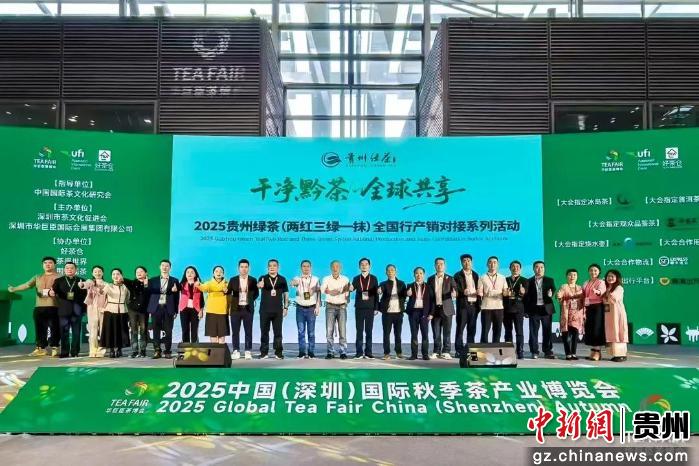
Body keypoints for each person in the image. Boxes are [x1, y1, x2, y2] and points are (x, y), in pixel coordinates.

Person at [7, 256, 60, 357]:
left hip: (54, 306)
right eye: (45, 263)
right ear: (42, 265)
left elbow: (61, 291)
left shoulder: (60, 277)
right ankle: (41, 348)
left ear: (55, 265)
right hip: (39, 307)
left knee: (55, 328)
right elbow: (27, 285)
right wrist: (14, 289)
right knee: (40, 329)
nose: (47, 264)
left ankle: (55, 348)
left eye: (50, 263)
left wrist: (48, 292)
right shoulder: (37, 277)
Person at [51, 261, 87, 358]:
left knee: (76, 332)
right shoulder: (58, 281)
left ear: (76, 269)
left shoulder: (81, 281)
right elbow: (53, 291)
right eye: (67, 268)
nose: (69, 270)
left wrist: (84, 310)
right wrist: (51, 292)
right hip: (63, 310)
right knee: (64, 332)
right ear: (64, 270)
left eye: (72, 268)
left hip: (77, 310)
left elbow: (85, 297)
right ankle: (64, 352)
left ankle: (75, 351)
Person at [147, 259, 180, 359]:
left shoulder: (174, 280)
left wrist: (176, 310)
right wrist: (149, 309)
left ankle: (167, 350)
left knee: (168, 330)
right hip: (156, 308)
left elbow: (177, 297)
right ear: (160, 267)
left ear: (170, 268)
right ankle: (157, 350)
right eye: (163, 266)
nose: (165, 268)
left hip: (168, 308)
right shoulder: (153, 280)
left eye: (167, 266)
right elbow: (149, 294)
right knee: (156, 330)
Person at [524, 261, 556, 359]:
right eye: (537, 267)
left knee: (547, 331)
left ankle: (547, 351)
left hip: (546, 309)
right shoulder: (528, 281)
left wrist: (551, 294)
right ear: (533, 269)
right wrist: (526, 311)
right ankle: (534, 351)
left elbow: (553, 290)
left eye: (542, 267)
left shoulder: (549, 280)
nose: (539, 269)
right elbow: (526, 297)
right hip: (534, 309)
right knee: (533, 332)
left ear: (544, 269)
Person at [257, 259, 289, 359]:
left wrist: (286, 307)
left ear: (278, 267)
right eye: (270, 266)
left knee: (278, 333)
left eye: (274, 265)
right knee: (264, 332)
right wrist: (259, 285)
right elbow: (259, 285)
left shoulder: (282, 279)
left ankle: (278, 352)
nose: (272, 267)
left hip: (278, 311)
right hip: (264, 310)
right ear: (267, 267)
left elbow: (286, 294)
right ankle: (264, 352)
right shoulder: (263, 278)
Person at [228, 259, 259, 360]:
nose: (244, 269)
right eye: (242, 267)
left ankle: (248, 351)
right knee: (235, 331)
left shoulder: (253, 280)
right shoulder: (233, 280)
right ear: (238, 268)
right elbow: (228, 292)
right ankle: (236, 350)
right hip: (235, 309)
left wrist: (249, 299)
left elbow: (256, 293)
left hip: (248, 309)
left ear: (249, 268)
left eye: (246, 267)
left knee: (248, 331)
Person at [427, 258, 457, 359]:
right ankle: (436, 351)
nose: (439, 265)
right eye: (437, 264)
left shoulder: (450, 278)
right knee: (436, 332)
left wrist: (454, 293)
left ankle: (446, 351)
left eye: (441, 264)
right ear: (435, 266)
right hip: (435, 309)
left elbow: (455, 290)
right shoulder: (430, 279)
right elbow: (429, 296)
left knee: (447, 332)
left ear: (444, 266)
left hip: (447, 309)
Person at [350, 258, 379, 358]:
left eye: (366, 264)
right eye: (362, 264)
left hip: (370, 308)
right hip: (359, 308)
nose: (364, 266)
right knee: (359, 331)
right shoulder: (356, 278)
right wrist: (350, 288)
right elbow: (352, 288)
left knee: (369, 331)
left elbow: (376, 294)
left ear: (369, 266)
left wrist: (376, 308)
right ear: (359, 266)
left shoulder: (374, 278)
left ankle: (368, 352)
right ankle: (359, 352)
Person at [291, 260, 320, 359]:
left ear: (310, 267)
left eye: (308, 266)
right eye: (304, 266)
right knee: (301, 332)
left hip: (311, 308)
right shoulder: (297, 278)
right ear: (301, 268)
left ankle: (311, 352)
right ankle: (302, 352)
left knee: (311, 332)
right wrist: (294, 283)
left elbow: (319, 294)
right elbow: (292, 283)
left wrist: (317, 307)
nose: (306, 268)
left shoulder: (316, 279)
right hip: (300, 308)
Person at [321, 260, 350, 360]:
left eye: (337, 266)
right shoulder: (326, 278)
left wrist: (346, 300)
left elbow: (347, 292)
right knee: (329, 331)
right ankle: (330, 352)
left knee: (342, 331)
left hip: (342, 307)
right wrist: (330, 291)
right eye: (333, 266)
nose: (335, 268)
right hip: (330, 306)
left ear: (340, 268)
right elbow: (322, 289)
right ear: (330, 268)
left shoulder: (345, 279)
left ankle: (343, 352)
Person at [378, 264, 407, 360]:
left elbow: (405, 295)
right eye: (388, 270)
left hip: (398, 313)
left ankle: (398, 352)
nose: (390, 272)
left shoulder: (402, 283)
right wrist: (379, 291)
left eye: (392, 270)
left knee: (398, 334)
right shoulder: (383, 284)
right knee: (386, 334)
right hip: (387, 314)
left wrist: (408, 294)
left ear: (395, 272)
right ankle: (386, 353)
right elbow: (380, 290)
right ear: (386, 273)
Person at [100, 268, 131, 358]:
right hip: (110, 311)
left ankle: (119, 349)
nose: (115, 276)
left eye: (117, 274)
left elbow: (128, 298)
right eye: (113, 274)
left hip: (122, 310)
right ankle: (112, 350)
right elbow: (102, 293)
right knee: (111, 331)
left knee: (121, 331)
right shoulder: (108, 285)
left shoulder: (125, 286)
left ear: (121, 275)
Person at [78, 265, 107, 357]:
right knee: (93, 329)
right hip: (92, 308)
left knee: (103, 329)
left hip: (103, 308)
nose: (97, 273)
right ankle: (92, 350)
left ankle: (101, 350)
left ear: (102, 273)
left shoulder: (107, 284)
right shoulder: (90, 282)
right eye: (95, 272)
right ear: (92, 273)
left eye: (99, 271)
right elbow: (84, 285)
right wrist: (81, 285)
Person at [453, 253, 480, 355]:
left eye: (468, 261)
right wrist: (462, 292)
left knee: (472, 329)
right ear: (461, 263)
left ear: (471, 262)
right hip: (463, 306)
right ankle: (459, 351)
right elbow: (455, 289)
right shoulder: (457, 275)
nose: (467, 263)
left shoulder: (476, 275)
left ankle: (470, 350)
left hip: (474, 306)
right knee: (460, 329)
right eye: (464, 261)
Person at [477, 256, 507, 344]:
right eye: (490, 262)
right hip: (486, 307)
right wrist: (482, 293)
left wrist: (505, 293)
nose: (492, 264)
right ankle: (483, 349)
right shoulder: (482, 277)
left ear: (498, 264)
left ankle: (496, 348)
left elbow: (505, 292)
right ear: (487, 264)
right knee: (485, 330)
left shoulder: (502, 277)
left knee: (497, 330)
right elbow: (480, 292)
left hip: (499, 307)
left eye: (494, 262)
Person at [557, 269, 585, 360]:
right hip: (566, 313)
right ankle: (568, 353)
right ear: (567, 276)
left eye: (574, 275)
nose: (572, 277)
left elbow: (583, 299)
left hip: (576, 314)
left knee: (575, 334)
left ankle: (573, 353)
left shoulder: (580, 288)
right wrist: (559, 296)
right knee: (565, 334)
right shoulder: (564, 286)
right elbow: (560, 295)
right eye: (570, 275)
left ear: (577, 277)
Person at [406, 266, 432, 360]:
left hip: (424, 313)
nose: (419, 275)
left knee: (425, 334)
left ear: (424, 275)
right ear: (414, 275)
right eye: (417, 273)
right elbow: (404, 296)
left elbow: (432, 301)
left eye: (421, 273)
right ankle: (414, 354)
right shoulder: (409, 285)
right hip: (413, 312)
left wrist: (431, 313)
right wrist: (407, 294)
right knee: (414, 334)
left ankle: (425, 354)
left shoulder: (428, 286)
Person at [197, 266, 229, 344]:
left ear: (223, 274)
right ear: (213, 273)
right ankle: (214, 351)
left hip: (223, 312)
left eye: (220, 271)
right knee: (213, 335)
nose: (218, 273)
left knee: (222, 335)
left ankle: (221, 351)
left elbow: (231, 294)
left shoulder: (227, 284)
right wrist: (198, 285)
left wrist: (227, 291)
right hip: (211, 312)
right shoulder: (209, 283)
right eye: (216, 271)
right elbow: (203, 288)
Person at [123, 266, 149, 358]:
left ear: (146, 273)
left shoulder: (150, 283)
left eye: (141, 271)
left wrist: (146, 285)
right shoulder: (132, 283)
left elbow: (149, 296)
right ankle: (134, 350)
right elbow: (123, 280)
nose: (139, 273)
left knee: (143, 330)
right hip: (133, 310)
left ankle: (143, 350)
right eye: (137, 272)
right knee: (133, 330)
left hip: (144, 310)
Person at [582, 264, 606, 362]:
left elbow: (601, 291)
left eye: (595, 270)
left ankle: (597, 351)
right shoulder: (586, 282)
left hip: (598, 307)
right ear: (588, 271)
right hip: (588, 307)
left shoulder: (601, 282)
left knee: (597, 329)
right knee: (590, 329)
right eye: (591, 270)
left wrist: (597, 292)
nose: (593, 272)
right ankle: (593, 351)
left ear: (599, 272)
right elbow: (582, 294)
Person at [603, 269, 628, 362]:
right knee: (612, 332)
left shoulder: (619, 288)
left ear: (617, 278)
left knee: (619, 332)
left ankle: (621, 354)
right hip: (609, 314)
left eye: (612, 276)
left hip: (617, 313)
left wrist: (605, 294)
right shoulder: (607, 288)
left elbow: (613, 299)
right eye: (608, 276)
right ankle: (615, 354)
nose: (610, 278)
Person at [504, 260, 527, 359]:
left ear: (520, 269)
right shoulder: (505, 279)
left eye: (517, 266)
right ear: (510, 268)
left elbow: (527, 296)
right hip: (507, 308)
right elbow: (503, 294)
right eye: (513, 266)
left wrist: (522, 293)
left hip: (518, 309)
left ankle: (520, 351)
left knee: (519, 331)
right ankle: (508, 351)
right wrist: (505, 294)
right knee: (508, 331)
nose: (515, 268)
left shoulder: (525, 280)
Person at [179, 266, 204, 343]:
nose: (190, 274)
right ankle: (185, 345)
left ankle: (194, 346)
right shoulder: (181, 284)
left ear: (195, 274)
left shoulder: (199, 285)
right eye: (188, 272)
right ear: (185, 274)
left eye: (192, 272)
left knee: (194, 329)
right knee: (185, 329)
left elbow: (202, 299)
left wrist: (201, 310)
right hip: (184, 309)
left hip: (195, 309)